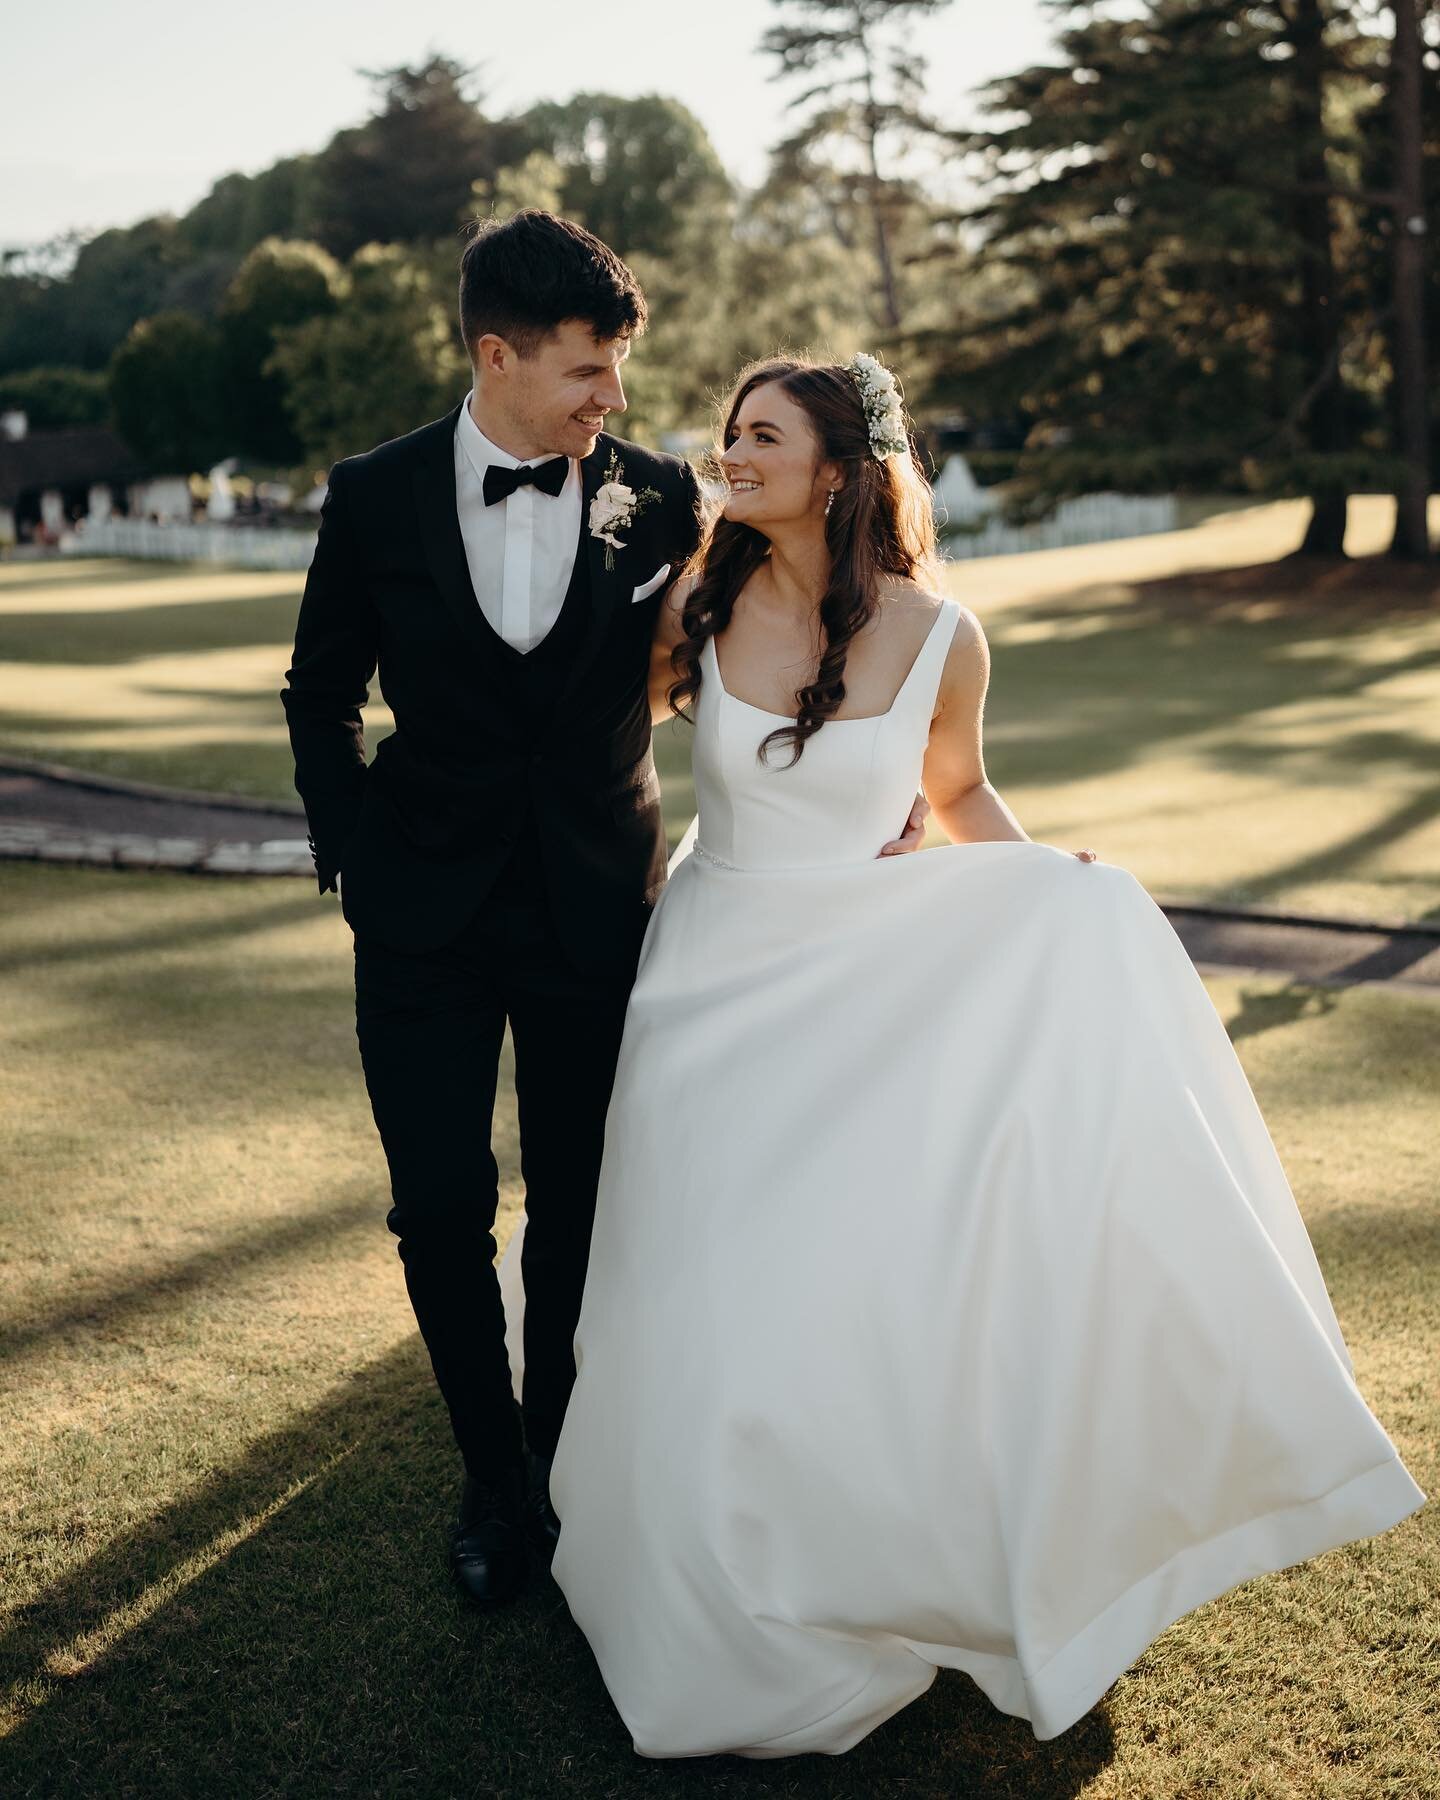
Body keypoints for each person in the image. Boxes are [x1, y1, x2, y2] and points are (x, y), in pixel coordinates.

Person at [502, 352, 1425, 1755]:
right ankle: (703, 1558)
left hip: (869, 981)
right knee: (700, 1289)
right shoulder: (697, 596)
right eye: (728, 430)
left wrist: (1059, 881)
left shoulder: (945, 634)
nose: (732, 451)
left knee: (852, 1277)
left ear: (839, 469)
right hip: (712, 984)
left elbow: (959, 790)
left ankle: (867, 1542)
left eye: (763, 435)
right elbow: (582, 729)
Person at [280, 212, 932, 1609]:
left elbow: (798, 629)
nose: (615, 402)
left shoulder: (663, 502)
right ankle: (491, 1484)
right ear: (497, 353)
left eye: (620, 370)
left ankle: (567, 1456)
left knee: (579, 1207)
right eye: (588, 371)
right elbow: (318, 695)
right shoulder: (374, 494)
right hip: (421, 923)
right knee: (440, 1209)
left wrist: (890, 798)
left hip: (599, 913)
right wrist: (355, 859)